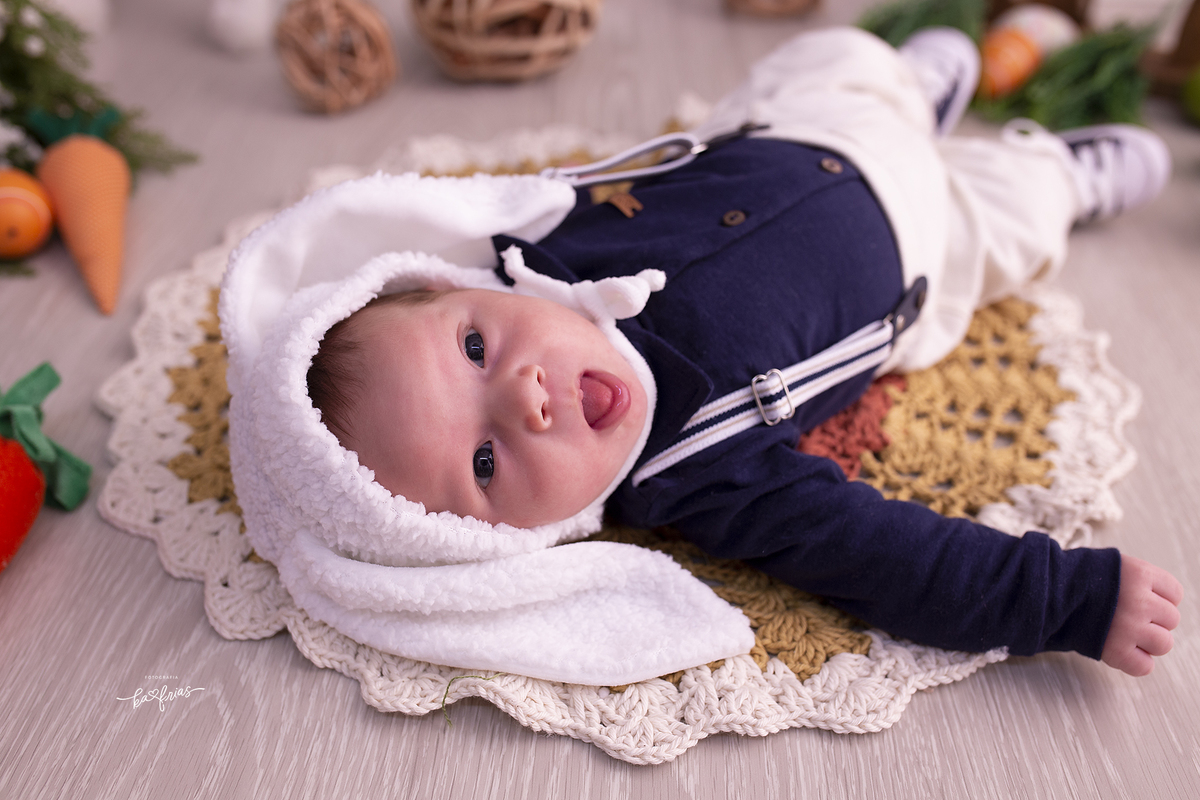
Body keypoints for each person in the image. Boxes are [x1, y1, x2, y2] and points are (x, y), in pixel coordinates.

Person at [233, 26, 1183, 684]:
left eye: (474, 347)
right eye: (484, 464)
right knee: (1014, 213)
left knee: (836, 55)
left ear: (457, 283)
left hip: (806, 129)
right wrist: (1063, 599)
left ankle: (910, 90)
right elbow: (885, 556)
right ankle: (1061, 178)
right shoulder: (701, 473)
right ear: (503, 546)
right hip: (929, 241)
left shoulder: (542, 244)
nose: (525, 398)